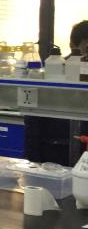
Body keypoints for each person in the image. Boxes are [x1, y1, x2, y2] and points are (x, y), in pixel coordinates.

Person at [24, 21, 88, 166]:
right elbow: (34, 119)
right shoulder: (54, 70)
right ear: (73, 45)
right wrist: (32, 162)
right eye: (87, 47)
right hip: (55, 154)